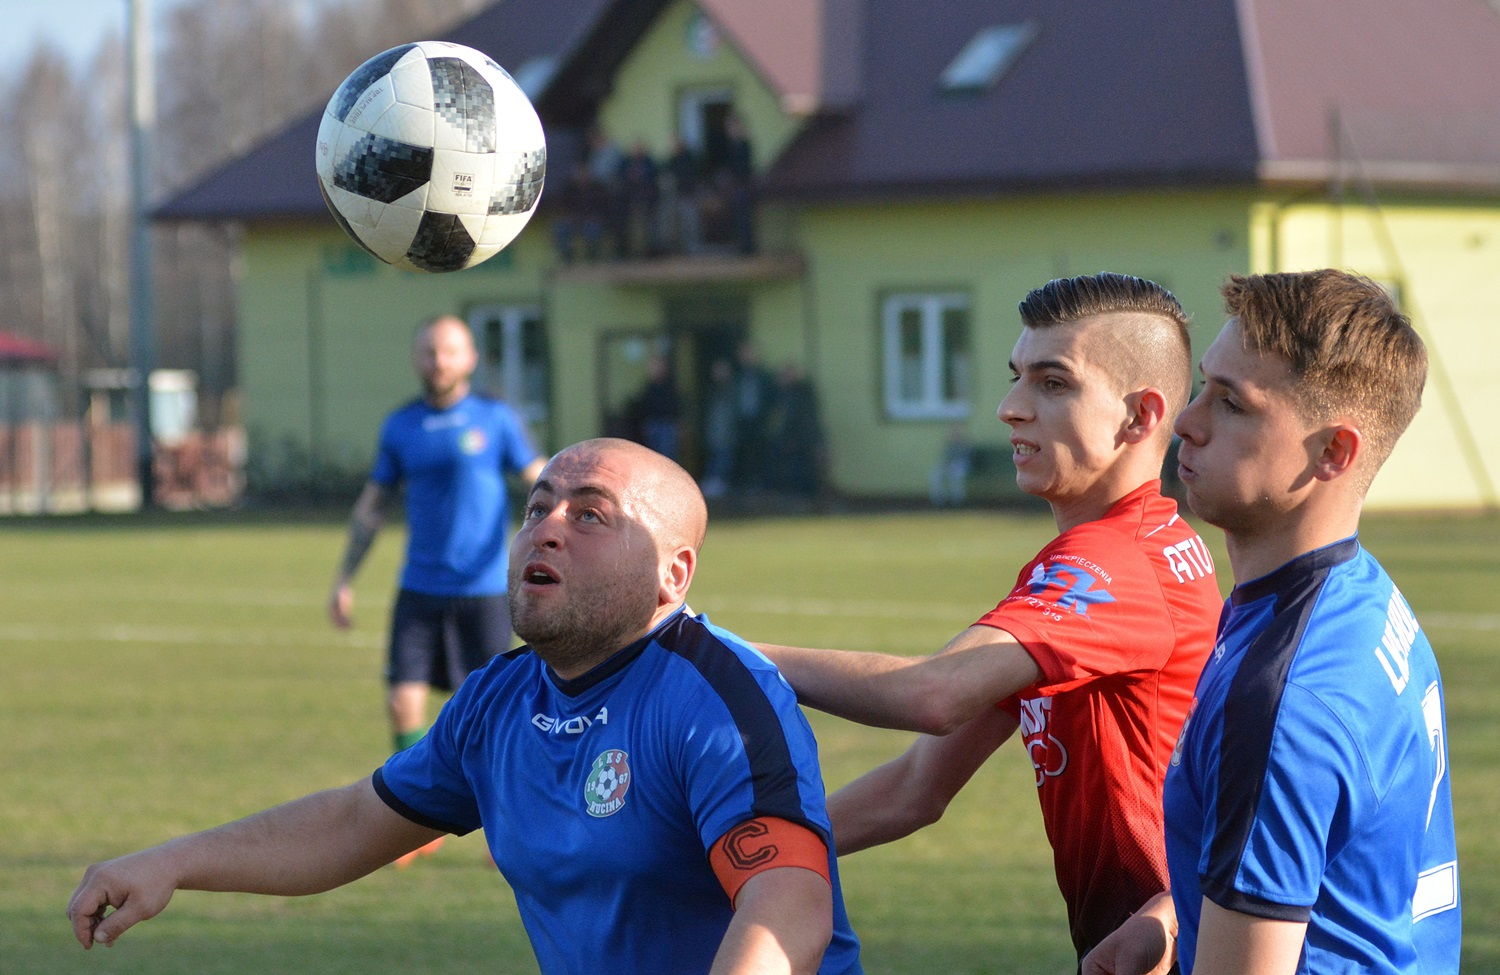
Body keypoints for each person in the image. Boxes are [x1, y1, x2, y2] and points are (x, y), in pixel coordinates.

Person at [68, 438, 864, 975]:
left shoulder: (712, 695)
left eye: (591, 515)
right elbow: (354, 823)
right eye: (538, 508)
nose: (547, 529)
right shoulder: (498, 700)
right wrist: (171, 861)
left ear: (673, 575)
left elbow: (788, 901)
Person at [756, 273, 1222, 962]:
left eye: (1053, 383)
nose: (1010, 407)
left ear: (1140, 416)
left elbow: (933, 691)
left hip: (1171, 949)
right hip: (1153, 939)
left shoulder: (1109, 564)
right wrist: (751, 850)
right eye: (1017, 377)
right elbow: (915, 790)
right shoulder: (1117, 552)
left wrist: (702, 646)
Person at [1083, 271, 1460, 975]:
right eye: (1203, 386)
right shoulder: (1360, 595)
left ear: (1333, 453)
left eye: (1231, 404)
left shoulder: (1282, 697)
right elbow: (1333, 850)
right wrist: (1174, 915)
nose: (1186, 422)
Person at [327, 316, 545, 768]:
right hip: (420, 587)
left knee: (490, 715)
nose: (438, 361)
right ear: (415, 360)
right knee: (401, 703)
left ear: (470, 359)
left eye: (449, 351)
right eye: (429, 351)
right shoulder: (401, 426)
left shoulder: (495, 419)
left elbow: (541, 480)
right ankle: (412, 821)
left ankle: (498, 817)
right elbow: (372, 507)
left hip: (483, 591)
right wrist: (344, 578)